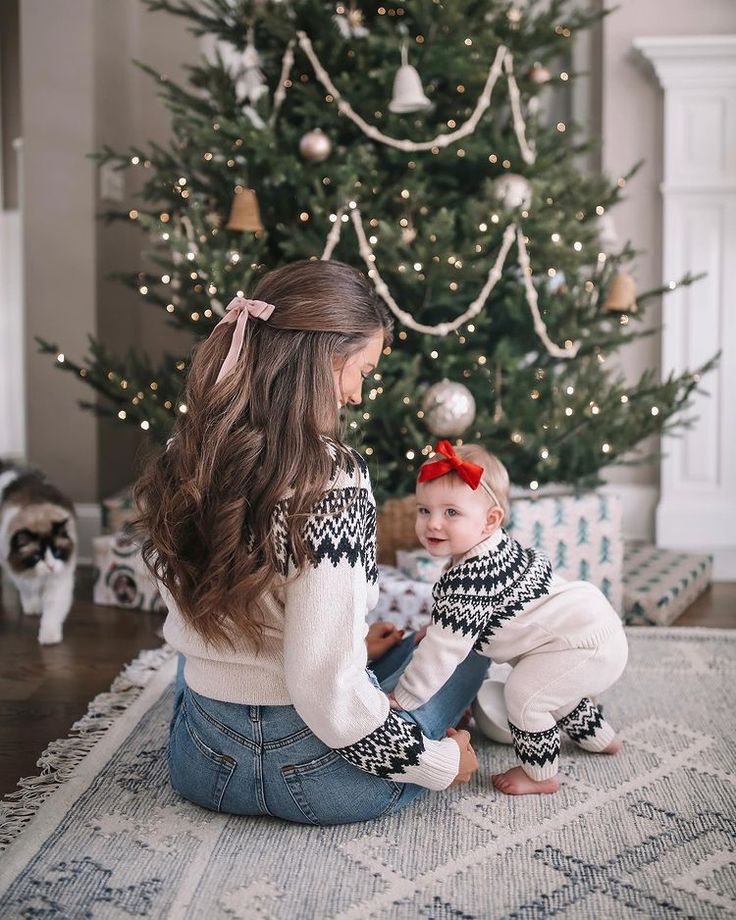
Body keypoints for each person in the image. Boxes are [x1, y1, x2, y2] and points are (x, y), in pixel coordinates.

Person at [134, 260, 489, 825]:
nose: (356, 395)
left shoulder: (188, 451)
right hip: (320, 781)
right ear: (327, 358)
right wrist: (441, 762)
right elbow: (323, 689)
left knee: (236, 645)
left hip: (200, 767)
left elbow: (200, 612)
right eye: (363, 371)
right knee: (468, 651)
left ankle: (349, 658)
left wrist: (339, 645)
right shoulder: (335, 478)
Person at [388, 440, 628, 796]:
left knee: (526, 696)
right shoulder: (490, 550)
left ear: (490, 520)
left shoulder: (471, 577)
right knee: (555, 688)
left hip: (585, 643)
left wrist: (404, 698)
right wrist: (439, 626)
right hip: (587, 631)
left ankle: (540, 774)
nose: (433, 524)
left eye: (451, 512)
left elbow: (444, 651)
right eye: (424, 510)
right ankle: (601, 739)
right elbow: (461, 621)